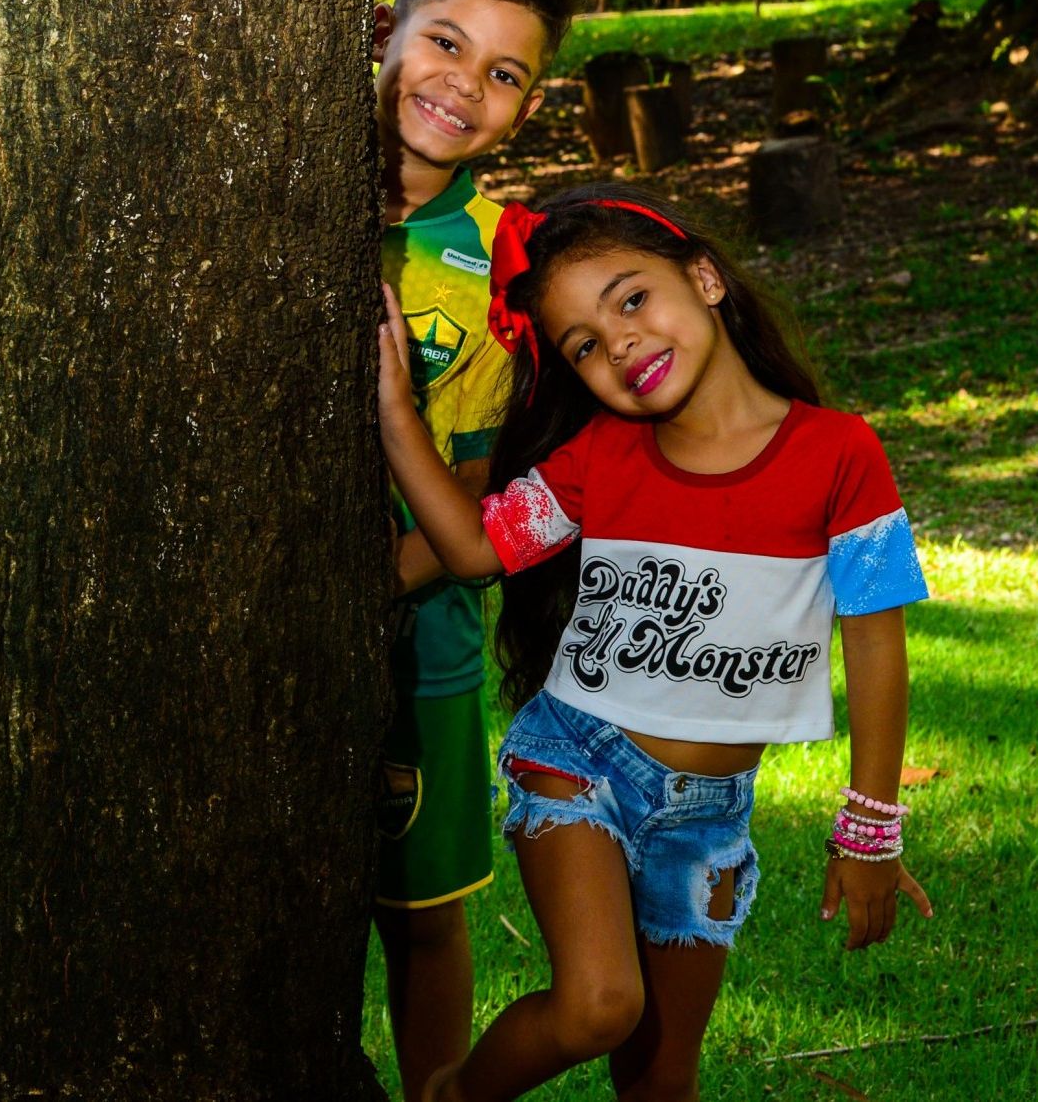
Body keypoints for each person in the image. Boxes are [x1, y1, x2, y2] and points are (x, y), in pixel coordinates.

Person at [377, 184, 933, 1102]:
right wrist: (399, 415)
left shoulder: (839, 456)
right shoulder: (601, 457)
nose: (619, 343)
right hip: (578, 762)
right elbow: (475, 551)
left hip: (710, 812)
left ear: (706, 278)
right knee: (601, 1007)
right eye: (583, 346)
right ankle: (449, 1096)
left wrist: (870, 832)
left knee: (663, 1076)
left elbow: (877, 646)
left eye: (631, 299)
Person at [371, 0, 574, 1101]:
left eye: (502, 73)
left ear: (526, 105)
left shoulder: (507, 261)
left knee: (424, 914)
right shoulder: (266, 196)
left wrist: (381, 580)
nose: (462, 84)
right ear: (389, 33)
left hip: (423, 632)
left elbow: (502, 492)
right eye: (443, 42)